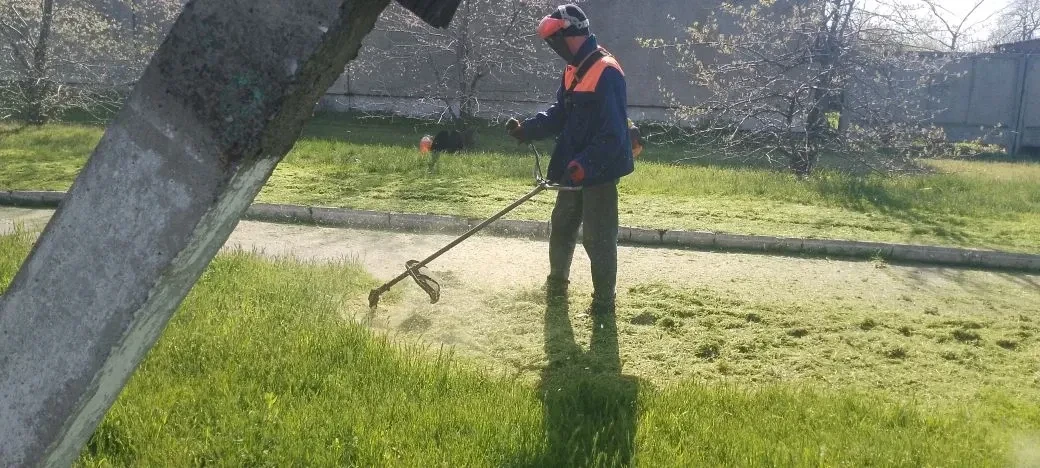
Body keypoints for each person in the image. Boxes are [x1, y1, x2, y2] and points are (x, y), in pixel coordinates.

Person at [506, 4, 634, 315]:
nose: (553, 47)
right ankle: (556, 287)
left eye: (556, 40)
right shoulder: (573, 69)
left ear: (571, 35)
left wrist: (585, 165)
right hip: (572, 166)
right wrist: (528, 129)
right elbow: (560, 113)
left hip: (598, 170)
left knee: (598, 238)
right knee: (562, 225)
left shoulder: (607, 71)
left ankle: (604, 303)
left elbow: (614, 133)